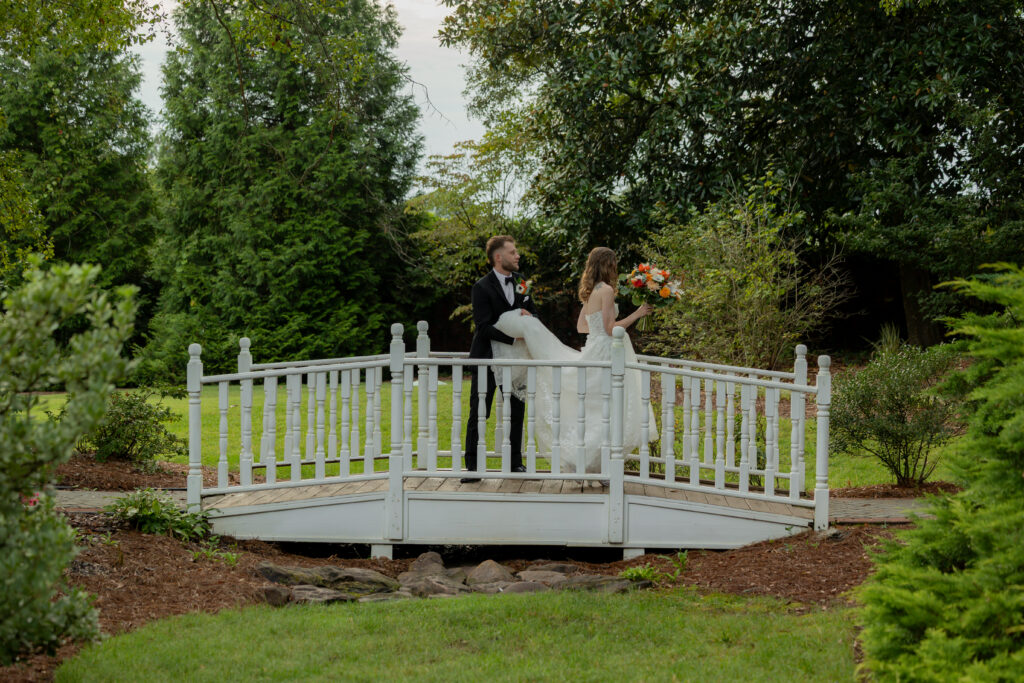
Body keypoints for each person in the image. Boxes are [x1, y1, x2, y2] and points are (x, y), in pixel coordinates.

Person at [492, 247, 654, 473]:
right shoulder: (606, 290)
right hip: (607, 351)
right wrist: (638, 314)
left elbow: (581, 326)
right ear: (608, 265)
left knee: (597, 408)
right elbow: (610, 329)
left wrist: (597, 331)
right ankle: (595, 463)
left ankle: (590, 462)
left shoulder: (591, 291)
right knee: (608, 406)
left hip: (595, 348)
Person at [462, 235, 539, 482]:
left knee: (516, 410)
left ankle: (514, 463)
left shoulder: (522, 282)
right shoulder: (481, 288)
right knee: (479, 412)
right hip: (487, 358)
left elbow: (533, 311)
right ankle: (473, 469)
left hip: (515, 360)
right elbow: (483, 326)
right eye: (512, 252)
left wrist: (529, 315)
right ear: (498, 257)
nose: (517, 256)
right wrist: (513, 338)